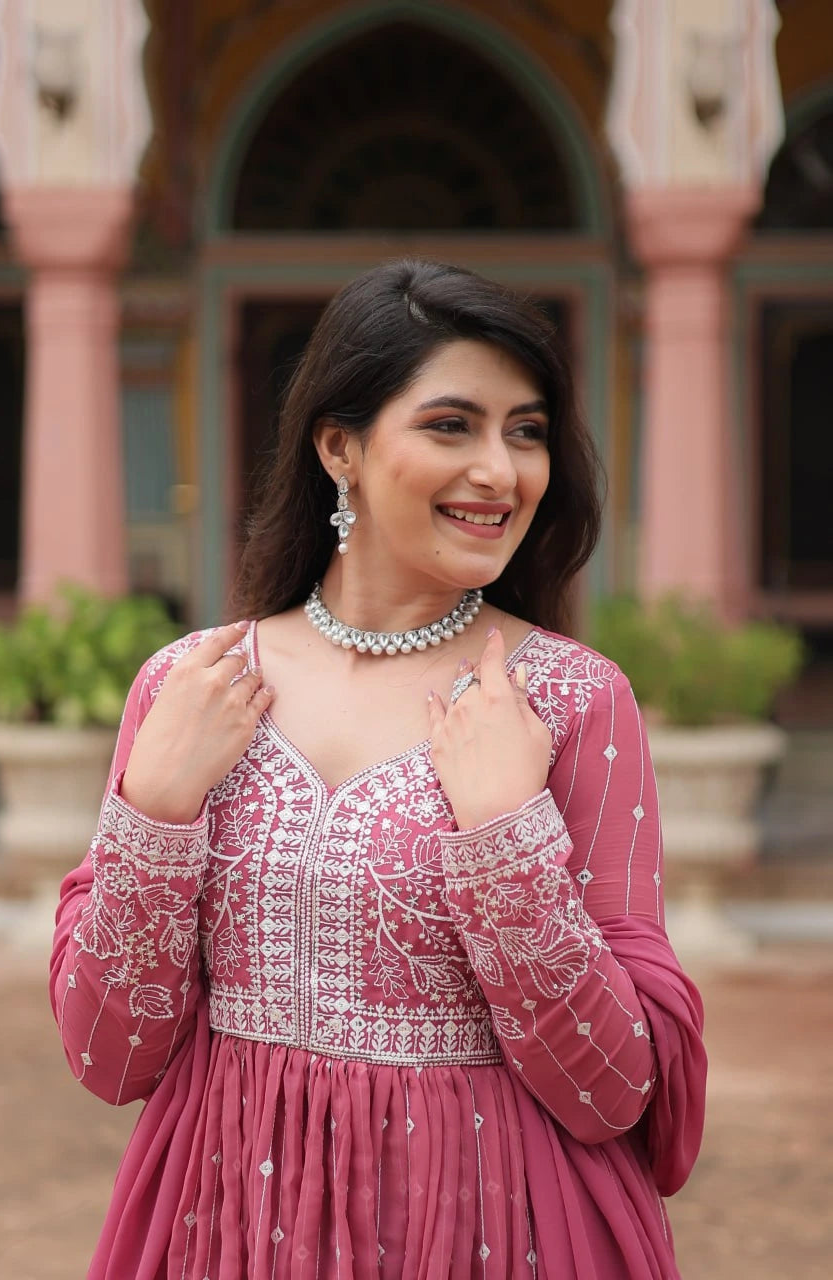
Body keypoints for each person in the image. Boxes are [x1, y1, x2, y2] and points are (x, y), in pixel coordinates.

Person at [51, 258, 706, 1279]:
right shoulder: (193, 685)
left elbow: (611, 1088)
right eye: (452, 424)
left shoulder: (569, 700)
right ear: (339, 446)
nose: (501, 469)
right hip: (225, 1224)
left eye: (524, 430)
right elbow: (107, 1054)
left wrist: (504, 836)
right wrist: (157, 806)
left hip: (497, 1226)